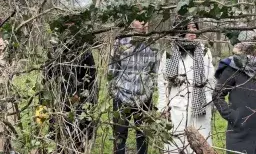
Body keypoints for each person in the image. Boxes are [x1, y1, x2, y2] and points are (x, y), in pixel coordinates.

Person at [213, 29, 256, 154]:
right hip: (240, 134)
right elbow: (217, 95)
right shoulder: (233, 67)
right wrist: (234, 117)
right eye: (254, 44)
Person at [157, 20, 216, 153]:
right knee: (176, 144)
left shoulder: (205, 51)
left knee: (200, 143)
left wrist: (209, 102)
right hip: (177, 107)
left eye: (194, 28)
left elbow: (211, 79)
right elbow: (163, 82)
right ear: (180, 32)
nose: (191, 32)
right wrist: (162, 106)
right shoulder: (170, 52)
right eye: (187, 28)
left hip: (200, 107)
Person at [41, 18, 98, 153]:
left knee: (77, 137)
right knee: (59, 136)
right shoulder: (56, 48)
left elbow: (91, 73)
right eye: (66, 25)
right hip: (59, 99)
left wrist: (78, 95)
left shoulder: (84, 49)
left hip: (79, 101)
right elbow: (48, 73)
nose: (69, 29)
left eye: (71, 25)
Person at [108, 20, 159, 154]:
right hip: (121, 97)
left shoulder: (153, 45)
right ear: (132, 23)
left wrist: (147, 94)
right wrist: (114, 92)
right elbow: (112, 70)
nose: (144, 24)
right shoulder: (120, 43)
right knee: (119, 136)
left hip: (143, 99)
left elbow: (155, 73)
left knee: (143, 136)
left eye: (146, 21)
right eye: (140, 21)